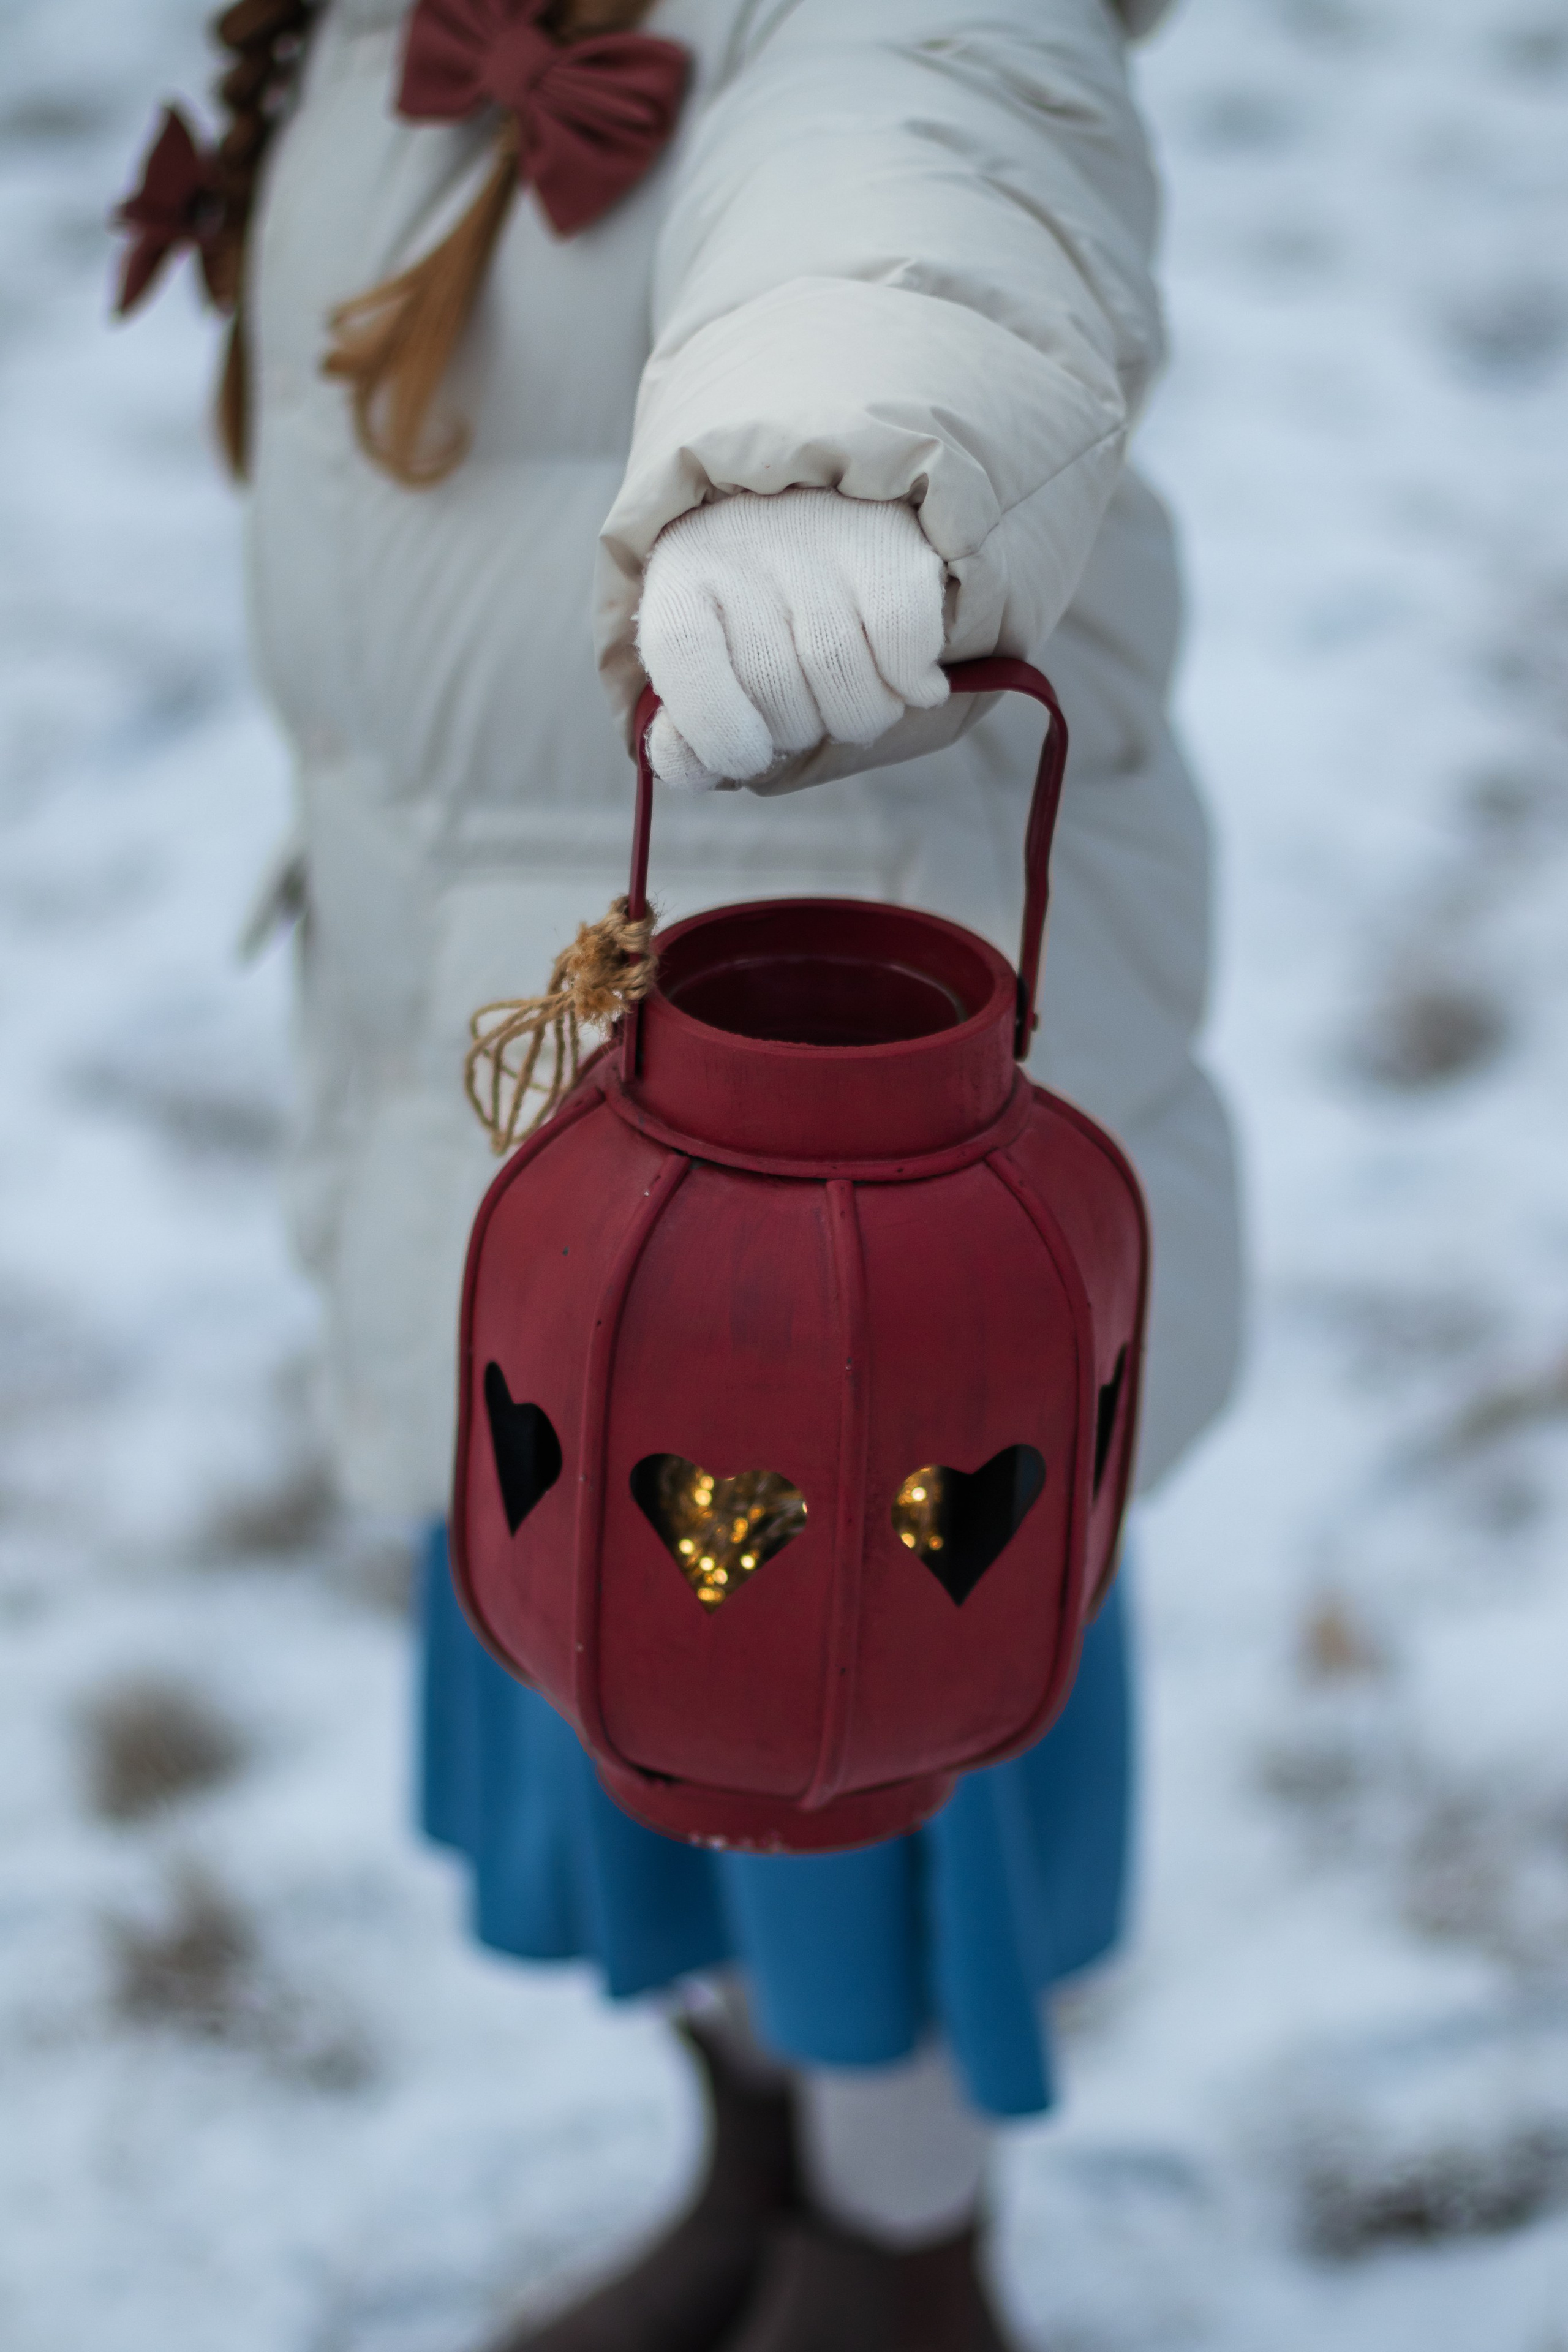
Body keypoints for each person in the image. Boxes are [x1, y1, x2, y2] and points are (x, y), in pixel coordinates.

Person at [117, 1, 1243, 2345]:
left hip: (850, 1199)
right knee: (625, 1681)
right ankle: (754, 2176)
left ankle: (896, 2258)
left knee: (845, 1724)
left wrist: (835, 459)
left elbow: (918, 149)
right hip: (552, 1124)